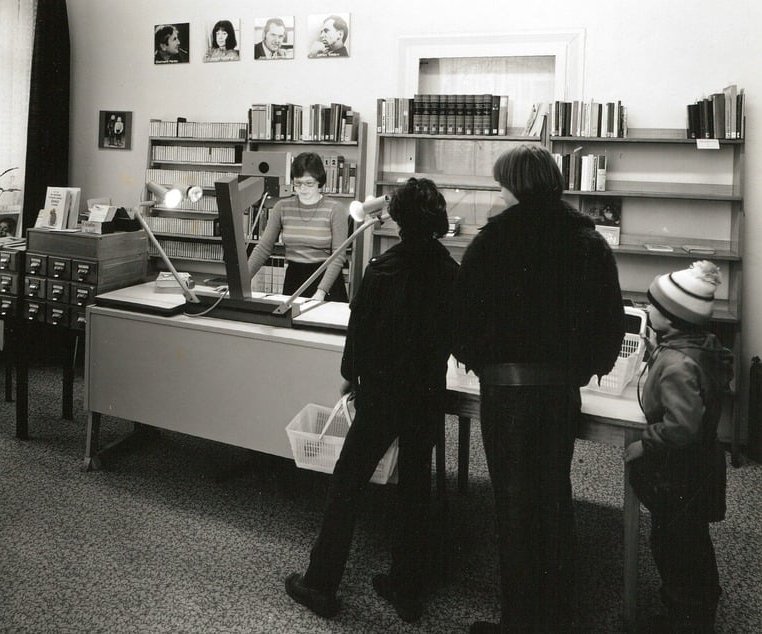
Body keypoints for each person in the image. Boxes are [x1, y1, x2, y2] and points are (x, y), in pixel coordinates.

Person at [452, 144, 626, 633]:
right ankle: (558, 618)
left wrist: (477, 360)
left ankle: (517, 621)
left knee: (512, 504)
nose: (498, 194)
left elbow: (463, 317)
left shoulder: (492, 241)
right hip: (558, 392)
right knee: (553, 498)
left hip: (505, 391)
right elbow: (610, 322)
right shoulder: (587, 240)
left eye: (502, 185)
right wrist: (585, 369)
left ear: (517, 186)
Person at [284, 177, 459, 623]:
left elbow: (358, 335)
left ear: (397, 218)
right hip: (426, 394)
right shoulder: (449, 271)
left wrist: (351, 379)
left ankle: (320, 584)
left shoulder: (383, 270)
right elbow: (456, 335)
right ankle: (406, 588)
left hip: (382, 392)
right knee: (416, 486)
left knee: (348, 482)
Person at [624, 261, 731, 633]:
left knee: (675, 545)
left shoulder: (676, 363)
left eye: (653, 305)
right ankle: (696, 608)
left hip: (680, 471)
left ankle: (686, 619)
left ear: (671, 316)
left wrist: (644, 444)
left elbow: (682, 427)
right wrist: (661, 351)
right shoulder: (696, 347)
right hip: (701, 466)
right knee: (691, 540)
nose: (647, 309)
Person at [246, 152, 348, 302]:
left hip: (326, 280)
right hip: (294, 278)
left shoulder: (335, 209)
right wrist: (240, 282)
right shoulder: (282, 207)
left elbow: (338, 256)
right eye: (298, 183)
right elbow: (263, 249)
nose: (303, 189)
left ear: (320, 181)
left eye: (309, 183)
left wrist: (321, 292)